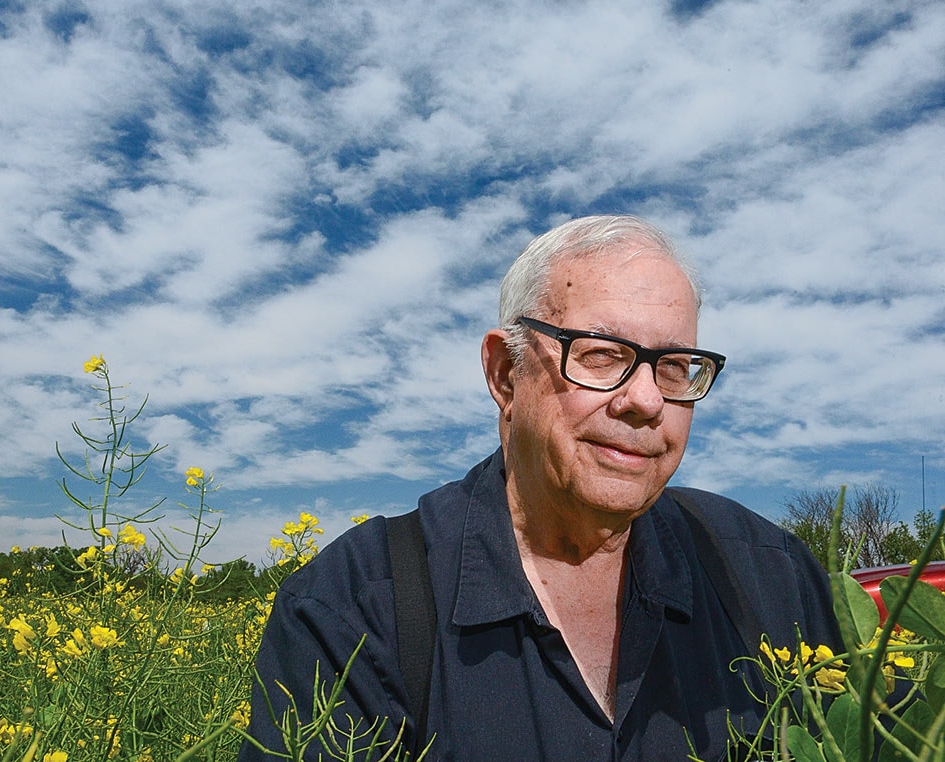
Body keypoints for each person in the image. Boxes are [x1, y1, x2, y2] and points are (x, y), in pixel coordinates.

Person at [238, 215, 842, 761]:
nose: (648, 401)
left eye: (675, 366)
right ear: (505, 374)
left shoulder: (772, 577)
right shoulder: (353, 609)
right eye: (603, 355)